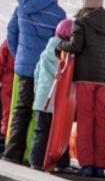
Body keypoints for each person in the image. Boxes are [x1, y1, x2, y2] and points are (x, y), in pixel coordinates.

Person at [2, 0, 65, 164]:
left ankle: (12, 153)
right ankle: (34, 155)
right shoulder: (58, 14)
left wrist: (20, 55)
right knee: (41, 113)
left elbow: (11, 33)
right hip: (45, 71)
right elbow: (59, 45)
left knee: (21, 110)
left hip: (24, 67)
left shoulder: (22, 7)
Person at [58, 0, 105, 177]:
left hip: (85, 78)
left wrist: (60, 44)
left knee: (85, 120)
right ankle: (100, 164)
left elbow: (75, 46)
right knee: (100, 121)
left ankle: (87, 163)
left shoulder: (81, 23)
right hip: (103, 79)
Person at [29, 19, 74, 170]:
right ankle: (62, 163)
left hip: (43, 99)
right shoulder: (68, 55)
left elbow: (37, 73)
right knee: (60, 133)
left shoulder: (46, 52)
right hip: (58, 101)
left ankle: (36, 161)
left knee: (41, 132)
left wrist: (37, 93)